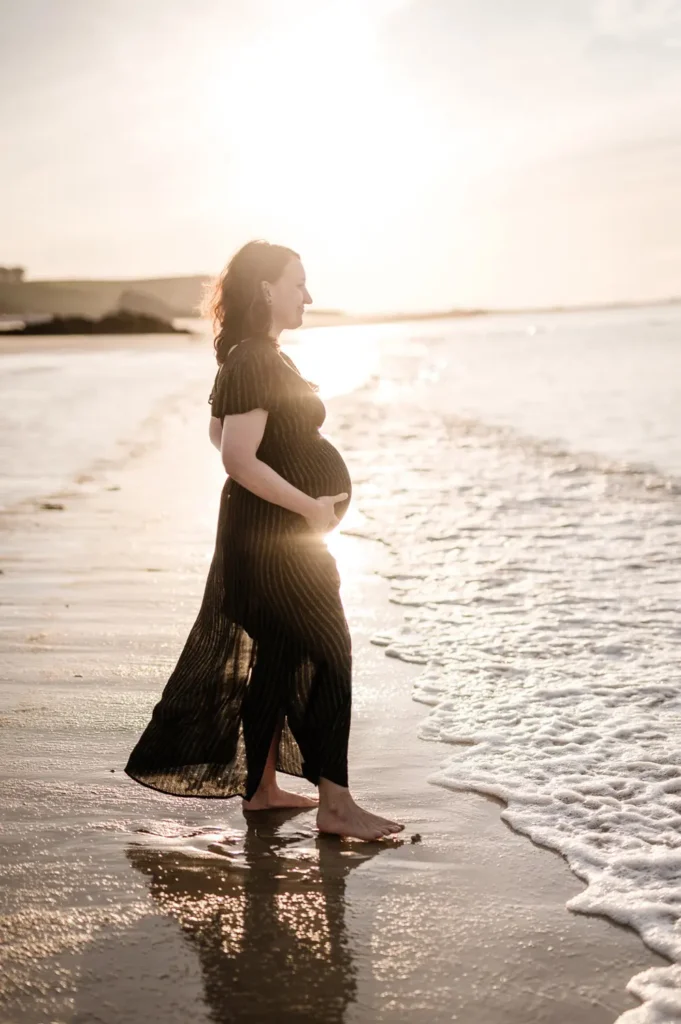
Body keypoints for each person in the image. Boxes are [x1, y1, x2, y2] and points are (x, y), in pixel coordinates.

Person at [124, 239, 404, 841]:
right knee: (331, 652)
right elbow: (235, 457)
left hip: (264, 538)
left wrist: (286, 490)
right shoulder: (254, 359)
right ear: (267, 289)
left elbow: (219, 431)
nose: (308, 295)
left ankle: (261, 792)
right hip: (277, 545)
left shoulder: (255, 356)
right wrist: (306, 506)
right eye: (298, 282)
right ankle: (336, 806)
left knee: (277, 660)